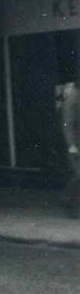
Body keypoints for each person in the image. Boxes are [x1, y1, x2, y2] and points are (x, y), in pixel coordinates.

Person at [60, 81, 80, 218]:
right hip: (75, 145)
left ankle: (66, 199)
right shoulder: (72, 99)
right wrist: (71, 145)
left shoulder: (74, 98)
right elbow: (67, 124)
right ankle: (67, 200)